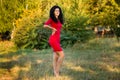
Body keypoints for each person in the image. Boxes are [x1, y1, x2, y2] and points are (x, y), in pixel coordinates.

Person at [43, 5, 65, 77]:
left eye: (58, 10)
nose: (57, 12)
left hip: (57, 39)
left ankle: (55, 72)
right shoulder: (51, 19)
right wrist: (52, 28)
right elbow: (45, 25)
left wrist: (55, 29)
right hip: (53, 39)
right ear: (53, 12)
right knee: (62, 55)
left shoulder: (59, 19)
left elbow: (59, 29)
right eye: (56, 10)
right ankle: (57, 72)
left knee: (55, 57)